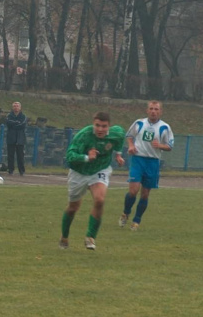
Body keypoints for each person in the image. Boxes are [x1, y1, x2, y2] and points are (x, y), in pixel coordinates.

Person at [60, 111, 125, 251]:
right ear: (93, 124)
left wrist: (118, 155)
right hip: (79, 172)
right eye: (97, 125)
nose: (100, 129)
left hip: (99, 170)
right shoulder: (83, 135)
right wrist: (86, 157)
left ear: (109, 126)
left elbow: (121, 136)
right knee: (73, 208)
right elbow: (70, 156)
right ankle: (64, 237)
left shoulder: (116, 133)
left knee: (100, 199)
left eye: (104, 126)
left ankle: (90, 237)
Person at [119, 100, 174, 231]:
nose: (153, 111)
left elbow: (170, 146)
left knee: (144, 194)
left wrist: (160, 145)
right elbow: (129, 136)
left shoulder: (165, 127)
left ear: (160, 111)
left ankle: (136, 221)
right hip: (138, 160)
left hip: (153, 162)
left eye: (156, 109)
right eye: (151, 108)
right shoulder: (139, 123)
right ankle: (126, 213)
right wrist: (131, 146)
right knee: (133, 191)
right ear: (147, 110)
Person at [6, 101, 26, 175]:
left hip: (20, 138)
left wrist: (14, 124)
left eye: (17, 106)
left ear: (20, 107)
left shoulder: (23, 116)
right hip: (11, 138)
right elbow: (8, 123)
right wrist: (16, 123)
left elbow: (22, 124)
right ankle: (10, 170)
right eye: (14, 106)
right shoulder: (9, 115)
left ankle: (21, 170)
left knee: (20, 156)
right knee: (10, 155)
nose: (16, 107)